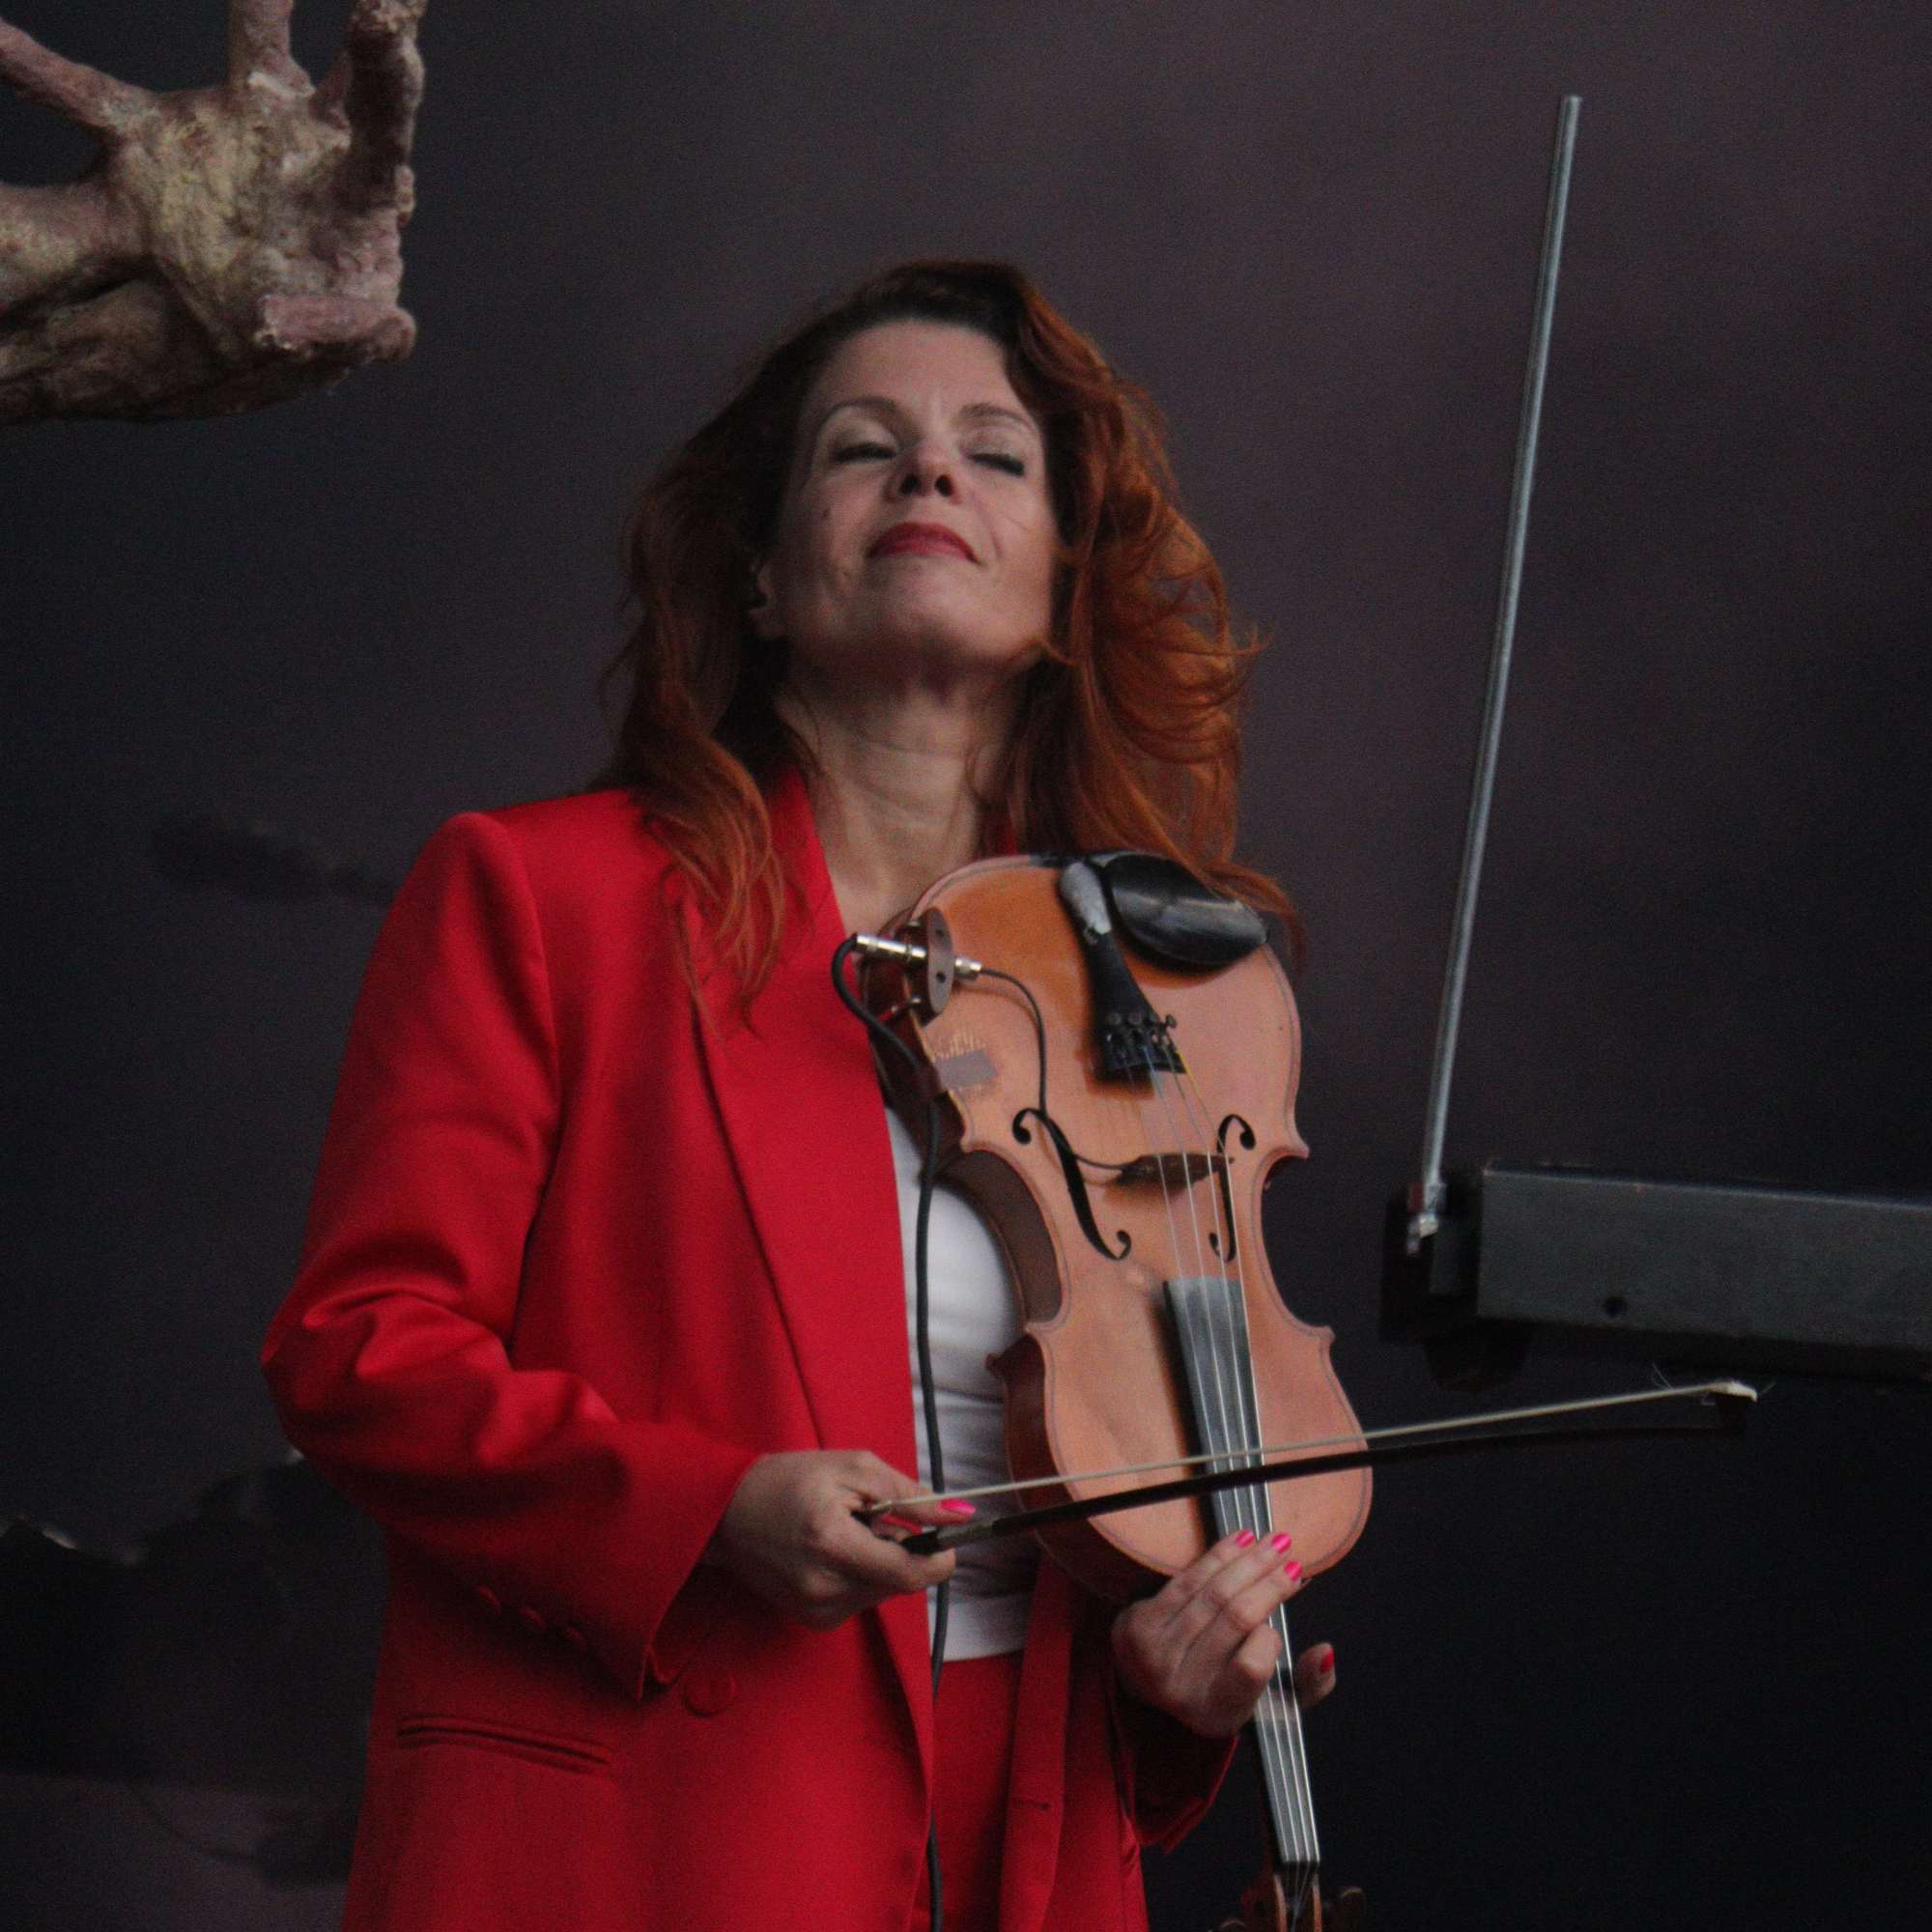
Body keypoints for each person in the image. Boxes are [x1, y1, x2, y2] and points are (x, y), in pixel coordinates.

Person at [262, 260, 1335, 1932]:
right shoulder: (540, 896)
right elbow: (360, 1351)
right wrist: (708, 1510)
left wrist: (1179, 1678)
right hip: (658, 1825)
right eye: (862, 448)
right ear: (762, 575)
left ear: (1063, 588)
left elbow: (1144, 1526)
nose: (930, 473)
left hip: (1017, 1833)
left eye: (994, 454)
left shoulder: (1152, 1000)